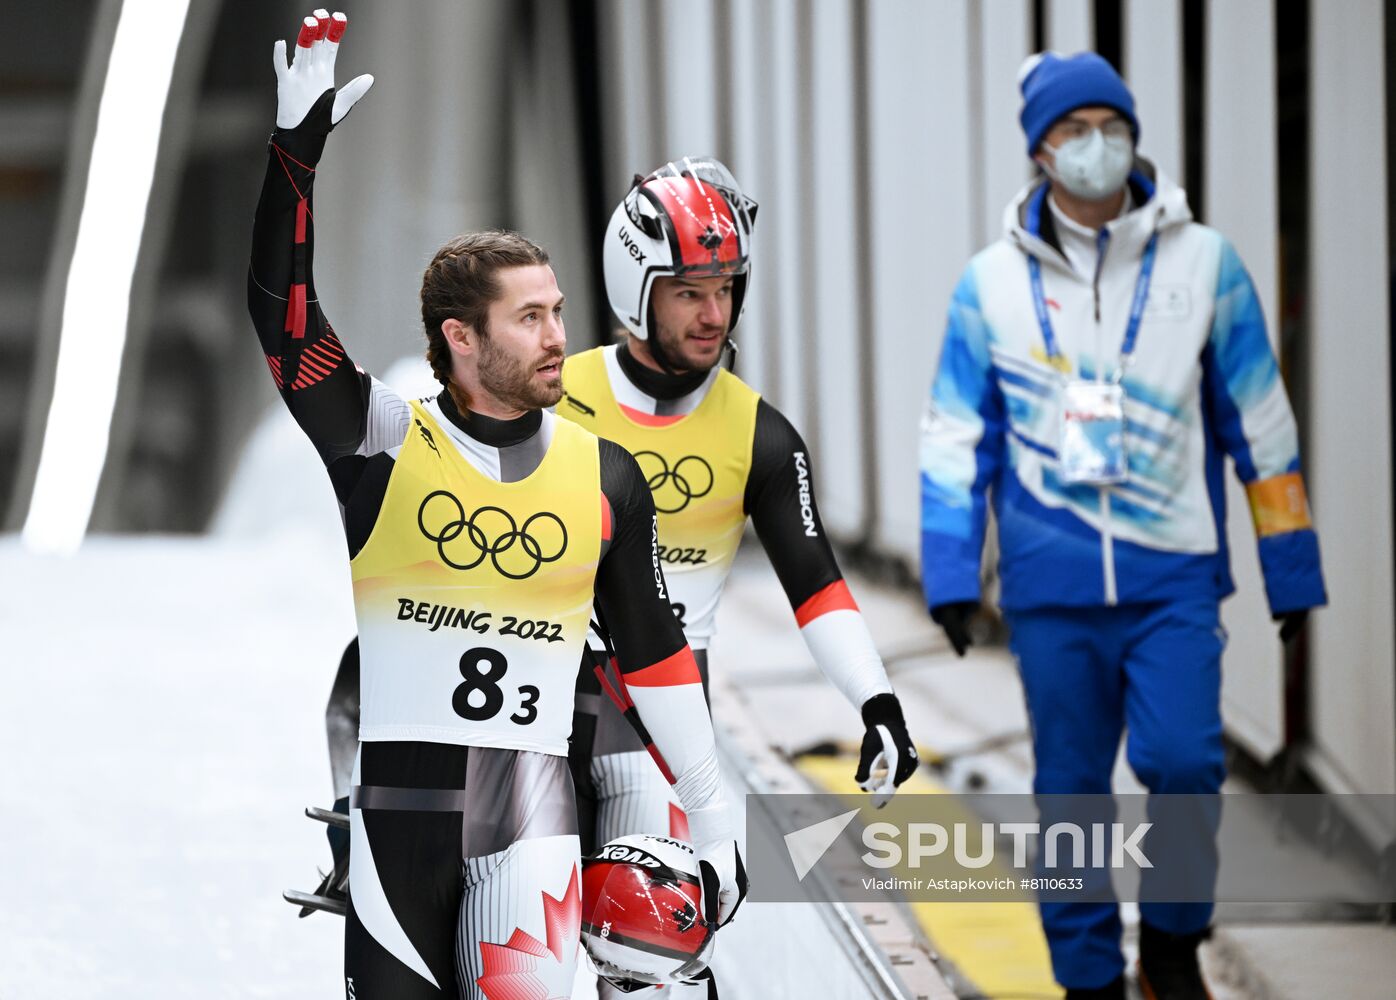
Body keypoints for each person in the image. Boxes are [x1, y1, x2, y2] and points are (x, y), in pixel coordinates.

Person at [247, 13, 742, 996]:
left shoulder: (605, 475)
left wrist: (716, 821)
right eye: (531, 317)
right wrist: (294, 155)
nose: (558, 335)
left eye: (559, 310)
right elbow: (281, 312)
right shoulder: (380, 440)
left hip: (531, 813)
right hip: (399, 820)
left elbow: (655, 657)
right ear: (460, 341)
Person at [918, 52, 1326, 1000]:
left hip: (1173, 575)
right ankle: (1090, 981)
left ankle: (1174, 947)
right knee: (1071, 798)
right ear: (1041, 151)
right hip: (1051, 587)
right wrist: (950, 575)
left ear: (1134, 135)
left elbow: (1259, 419)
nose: (1095, 145)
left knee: (1185, 762)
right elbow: (954, 435)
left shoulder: (1206, 264)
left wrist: (1290, 568)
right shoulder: (991, 287)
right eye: (1073, 129)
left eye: (1112, 123)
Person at [558, 158, 919, 995]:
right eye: (688, 290)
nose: (714, 313)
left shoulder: (761, 435)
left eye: (726, 288)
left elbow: (817, 585)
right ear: (633, 285)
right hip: (539, 714)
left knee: (657, 966)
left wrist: (877, 700)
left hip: (661, 728)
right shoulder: (556, 392)